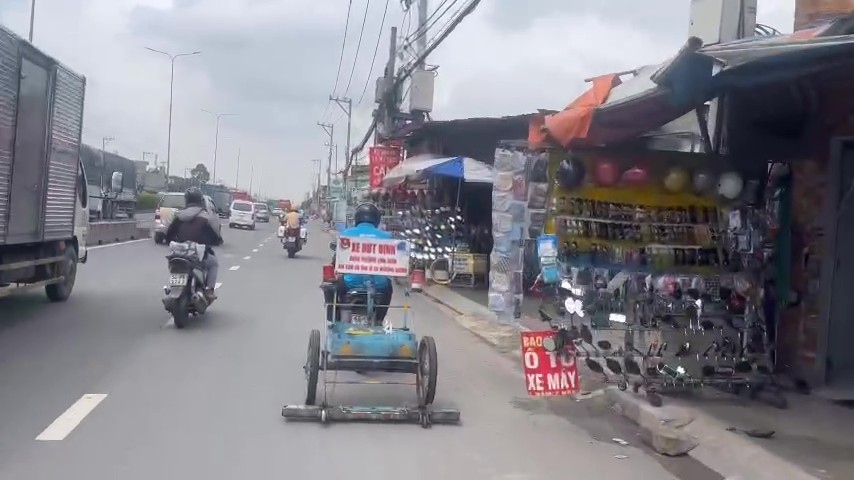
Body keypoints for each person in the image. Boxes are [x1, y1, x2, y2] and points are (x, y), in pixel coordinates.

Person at [324, 202, 393, 323]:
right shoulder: (387, 236)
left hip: (351, 283)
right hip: (379, 285)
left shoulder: (346, 234)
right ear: (377, 219)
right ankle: (379, 320)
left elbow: (338, 258)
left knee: (334, 286)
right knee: (389, 287)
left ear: (357, 218)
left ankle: (337, 317)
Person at [164, 188, 224, 300]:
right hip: (197, 255)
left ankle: (169, 286)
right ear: (200, 200)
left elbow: (168, 234)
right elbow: (215, 237)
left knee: (174, 265)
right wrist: (214, 241)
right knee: (214, 263)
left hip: (178, 253)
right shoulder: (206, 216)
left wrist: (175, 242)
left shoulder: (179, 215)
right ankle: (209, 290)